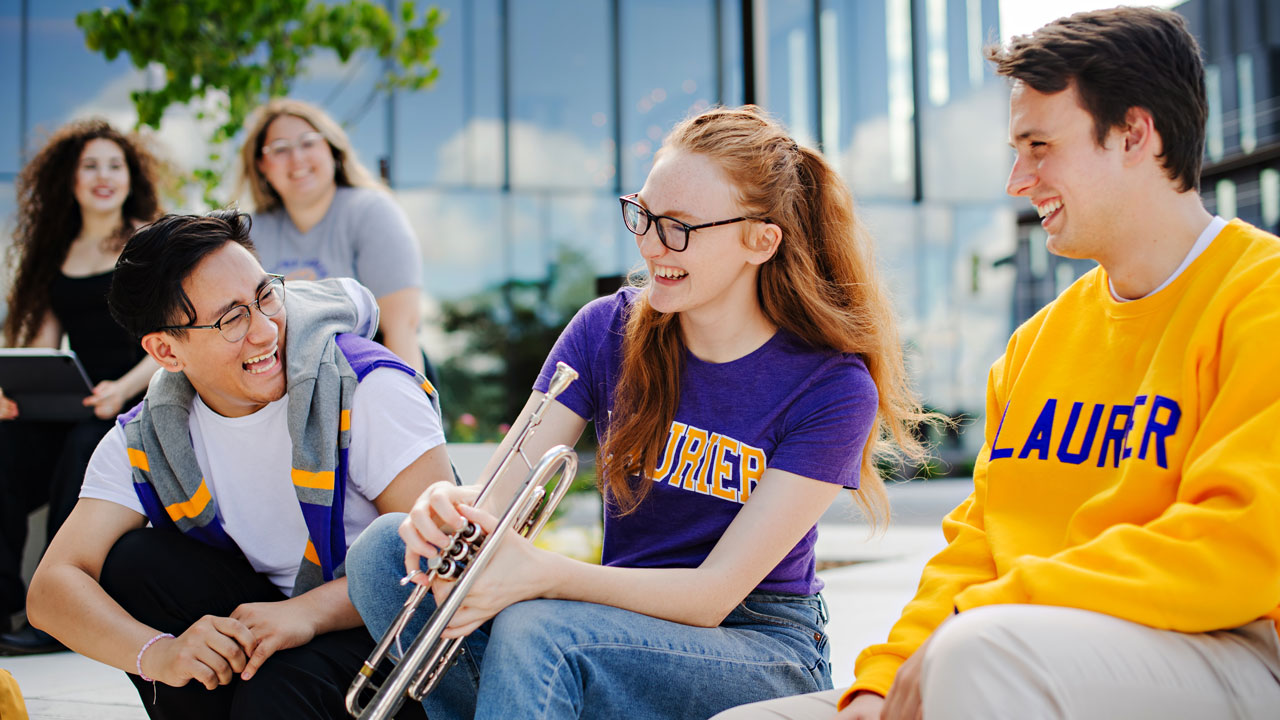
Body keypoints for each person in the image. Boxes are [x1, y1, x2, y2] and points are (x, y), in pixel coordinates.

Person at [715, 7, 1280, 720]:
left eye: (1040, 145)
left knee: (978, 657)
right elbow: (978, 545)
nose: (1019, 179)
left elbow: (1236, 547)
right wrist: (881, 683)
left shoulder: (1263, 300)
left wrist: (983, 618)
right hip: (1015, 645)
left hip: (1229, 647)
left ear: (1135, 134)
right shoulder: (1039, 341)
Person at [345, 105, 931, 719]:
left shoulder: (830, 387)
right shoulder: (605, 331)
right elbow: (497, 501)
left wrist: (542, 575)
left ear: (761, 240)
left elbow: (712, 595)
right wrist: (450, 519)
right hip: (616, 617)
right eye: (645, 215)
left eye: (678, 226)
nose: (651, 244)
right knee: (388, 551)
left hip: (759, 639)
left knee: (541, 634)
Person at [26, 211, 456, 719]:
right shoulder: (148, 437)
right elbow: (51, 589)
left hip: (395, 638)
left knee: (276, 688)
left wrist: (307, 614)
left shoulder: (364, 387)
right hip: (265, 619)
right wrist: (160, 654)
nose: (265, 331)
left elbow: (444, 563)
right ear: (166, 350)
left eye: (265, 296)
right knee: (135, 563)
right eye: (232, 318)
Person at [0, 119, 162, 655]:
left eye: (114, 165)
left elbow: (171, 338)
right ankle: (4, 601)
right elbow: (44, 347)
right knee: (5, 445)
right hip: (86, 401)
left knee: (83, 444)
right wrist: (14, 387)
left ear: (130, 176)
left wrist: (122, 388)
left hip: (142, 395)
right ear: (69, 180)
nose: (103, 176)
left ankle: (58, 615)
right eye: (90, 165)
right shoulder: (58, 254)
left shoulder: (147, 242)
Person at [238, 97, 428, 377]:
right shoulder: (250, 233)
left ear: (332, 150)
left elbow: (401, 329)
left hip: (370, 379)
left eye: (308, 143)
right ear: (261, 165)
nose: (297, 158)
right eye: (280, 149)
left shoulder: (371, 212)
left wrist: (407, 412)